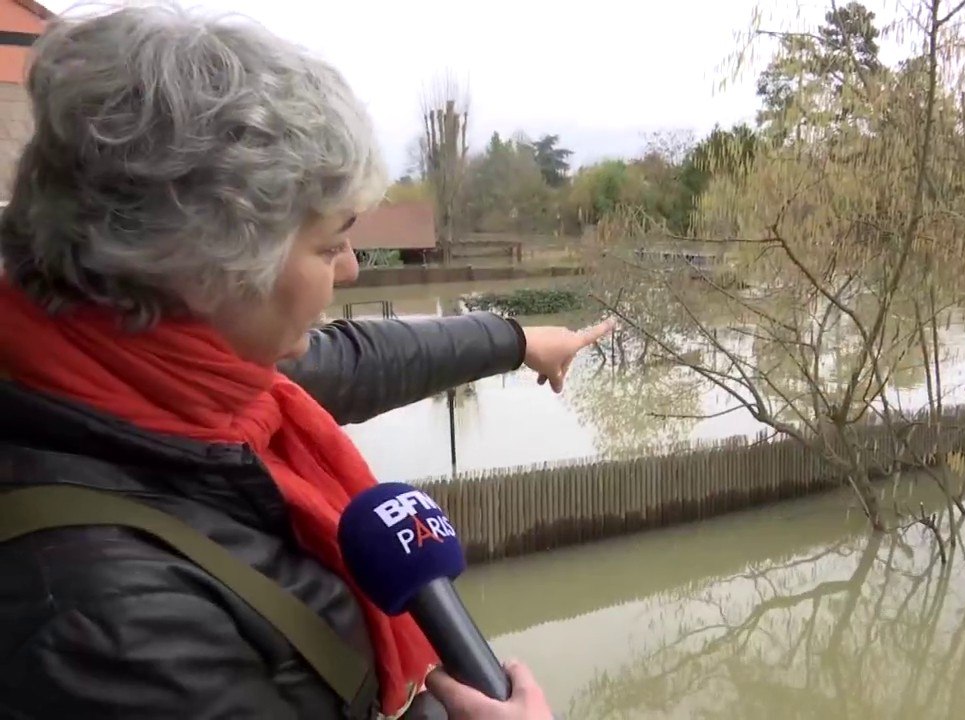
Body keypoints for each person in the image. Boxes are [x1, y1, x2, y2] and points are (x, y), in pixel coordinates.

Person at [0, 6, 599, 719]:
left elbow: (355, 361)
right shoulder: (100, 623)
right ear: (206, 263)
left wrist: (517, 339)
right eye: (328, 244)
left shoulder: (140, 372)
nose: (349, 269)